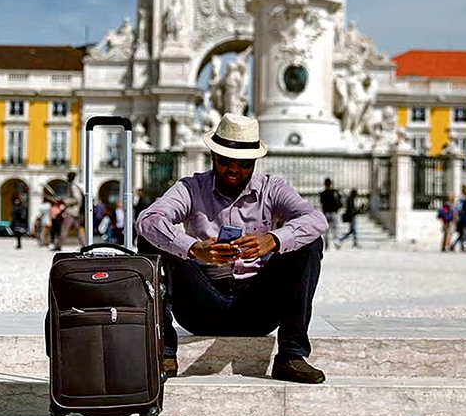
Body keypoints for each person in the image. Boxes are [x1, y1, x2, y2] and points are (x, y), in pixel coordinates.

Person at [136, 113, 328, 384]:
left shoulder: (273, 188)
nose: (234, 169)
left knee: (309, 242)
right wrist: (192, 248)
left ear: (255, 162)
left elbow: (316, 220)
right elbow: (148, 220)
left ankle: (291, 355)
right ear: (213, 156)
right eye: (225, 160)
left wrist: (273, 239)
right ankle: (164, 349)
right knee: (150, 237)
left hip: (257, 306)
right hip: (200, 303)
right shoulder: (191, 188)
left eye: (244, 163)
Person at [52, 171, 85, 251]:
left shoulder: (73, 186)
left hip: (71, 211)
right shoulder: (75, 185)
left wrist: (64, 201)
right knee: (78, 230)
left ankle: (58, 245)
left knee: (64, 229)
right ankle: (84, 245)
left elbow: (77, 199)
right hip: (76, 211)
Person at [318, 178, 342, 250]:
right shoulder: (335, 192)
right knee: (335, 229)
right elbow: (339, 202)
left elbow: (322, 202)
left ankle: (326, 245)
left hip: (326, 213)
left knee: (326, 230)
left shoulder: (323, 193)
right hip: (333, 213)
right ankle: (336, 243)